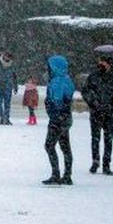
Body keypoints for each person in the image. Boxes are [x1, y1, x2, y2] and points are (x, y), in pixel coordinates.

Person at [81, 53, 113, 175]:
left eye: (103, 62)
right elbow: (86, 91)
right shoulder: (93, 76)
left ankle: (106, 163)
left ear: (109, 64)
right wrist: (92, 102)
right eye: (100, 62)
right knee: (95, 137)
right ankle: (95, 161)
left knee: (108, 138)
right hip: (96, 111)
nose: (101, 64)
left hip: (109, 111)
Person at [42, 55, 76, 186]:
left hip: (57, 118)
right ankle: (67, 175)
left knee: (49, 145)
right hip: (65, 118)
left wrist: (51, 108)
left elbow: (56, 101)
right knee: (65, 146)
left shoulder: (57, 82)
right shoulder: (67, 80)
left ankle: (56, 174)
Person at [0, 51, 18, 125]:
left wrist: (15, 86)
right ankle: (2, 117)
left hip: (8, 86)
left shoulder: (12, 65)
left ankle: (6, 118)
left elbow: (14, 76)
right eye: (6, 56)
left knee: (7, 103)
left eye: (9, 57)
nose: (7, 58)